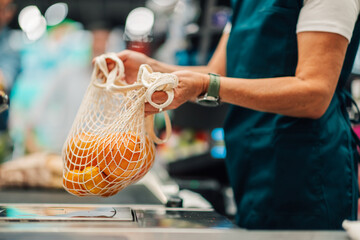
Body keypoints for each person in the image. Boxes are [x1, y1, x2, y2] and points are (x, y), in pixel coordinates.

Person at [113, 0, 360, 230]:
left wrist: (206, 85)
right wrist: (149, 68)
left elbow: (314, 95)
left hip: (307, 172)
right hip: (249, 164)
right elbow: (216, 72)